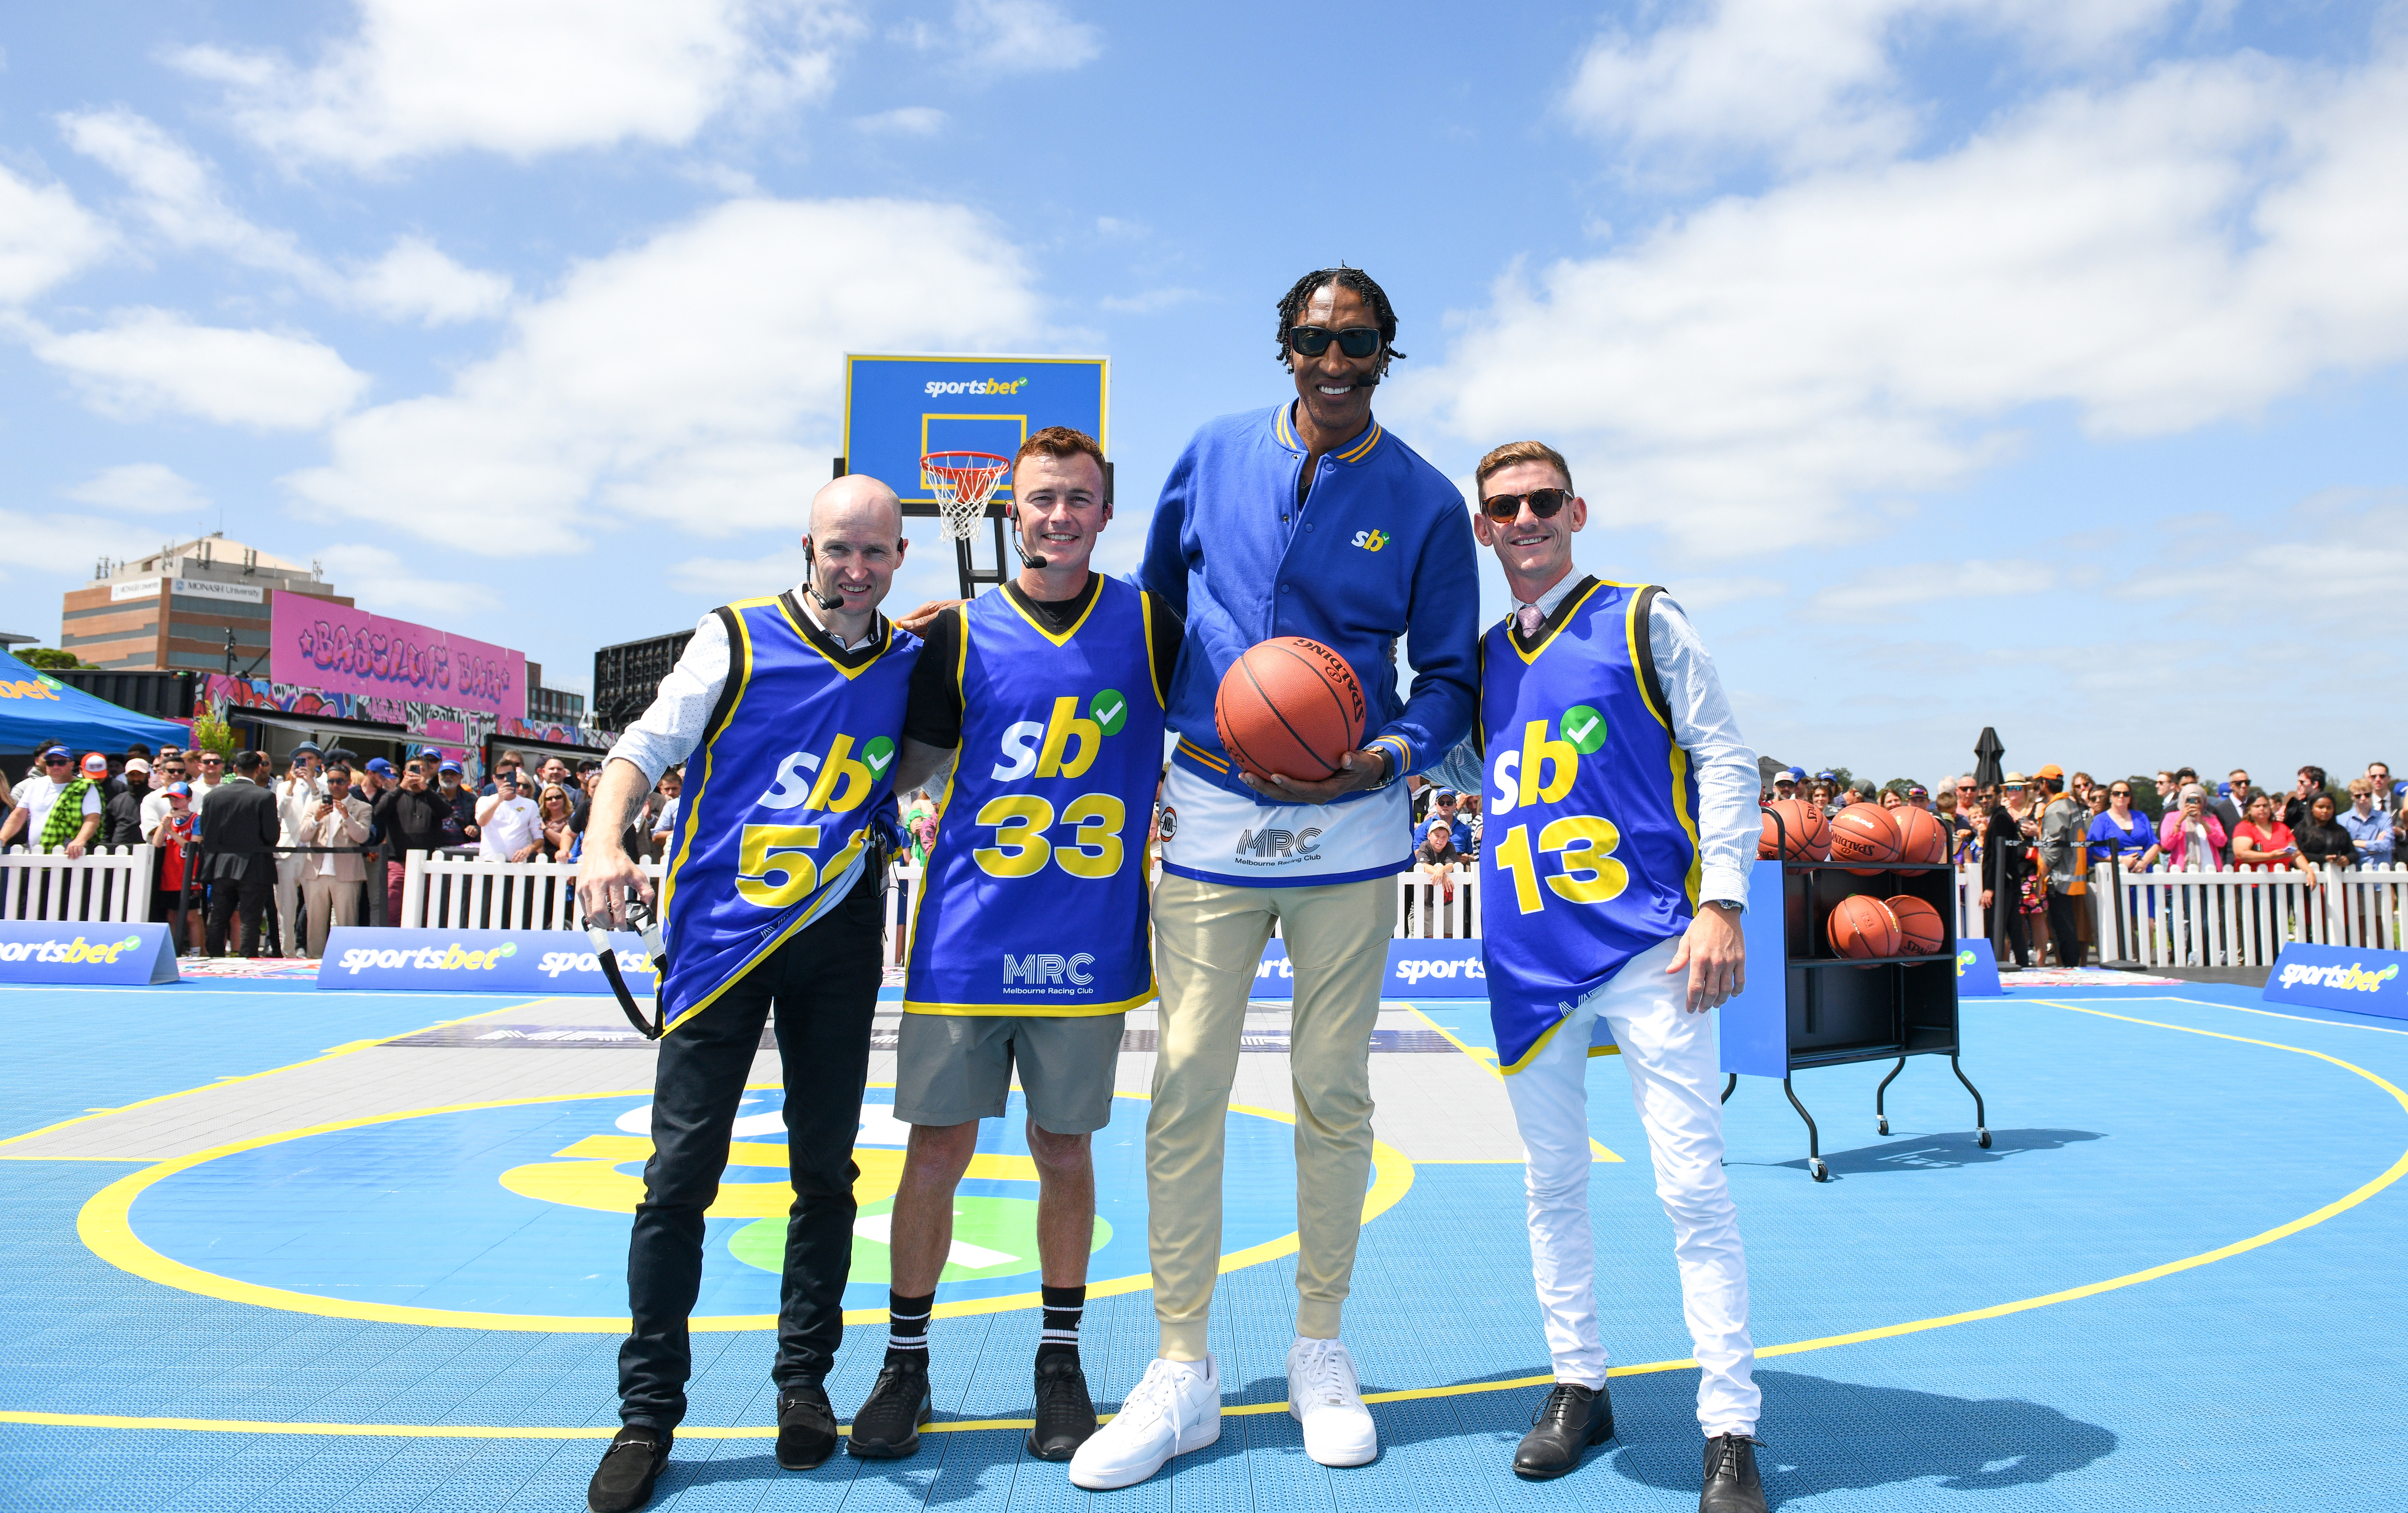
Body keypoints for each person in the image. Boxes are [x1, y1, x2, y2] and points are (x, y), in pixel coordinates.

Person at [1068, 266, 1477, 1492]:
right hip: (1210, 810)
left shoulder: (1426, 500)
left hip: (1350, 821)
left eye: (1356, 340)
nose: (1332, 358)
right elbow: (1148, 618)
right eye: (1312, 337)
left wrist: (1386, 751)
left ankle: (1318, 1344)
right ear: (1283, 346)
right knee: (1186, 1082)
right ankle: (1180, 1363)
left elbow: (1449, 676)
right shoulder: (1205, 453)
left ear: (1388, 352)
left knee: (1330, 1090)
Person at [1420, 437, 1766, 1507]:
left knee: (1691, 1185)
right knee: (1551, 1183)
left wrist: (1724, 899)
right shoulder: (1482, 657)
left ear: (1576, 509)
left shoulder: (1642, 614)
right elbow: (1465, 763)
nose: (1523, 519)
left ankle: (1731, 1421)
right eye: (1503, 507)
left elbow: (1723, 753)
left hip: (1649, 939)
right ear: (1483, 528)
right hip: (1526, 954)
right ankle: (1579, 1380)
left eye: (1541, 500)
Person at [572, 474, 922, 1513]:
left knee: (825, 1171)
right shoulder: (732, 637)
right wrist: (601, 839)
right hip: (720, 940)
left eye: (874, 553)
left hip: (835, 938)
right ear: (804, 548)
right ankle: (647, 1412)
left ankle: (802, 1386)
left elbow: (916, 758)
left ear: (901, 557)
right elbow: (642, 747)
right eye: (836, 551)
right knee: (678, 1175)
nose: (854, 569)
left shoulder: (909, 658)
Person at [867, 427, 1178, 1466]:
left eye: (1077, 498)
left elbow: (1237, 723)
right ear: (1012, 512)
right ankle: (904, 1362)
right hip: (965, 937)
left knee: (1064, 1151)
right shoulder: (957, 636)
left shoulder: (1151, 625)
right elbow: (899, 769)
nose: (1058, 514)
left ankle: (1059, 1356)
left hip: (1085, 944)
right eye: (1041, 498)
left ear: (1103, 510)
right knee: (936, 1151)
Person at [200, 751, 279, 957]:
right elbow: (271, 836)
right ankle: (247, 958)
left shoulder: (213, 796)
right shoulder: (265, 796)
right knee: (250, 918)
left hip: (220, 864)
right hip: (254, 864)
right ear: (258, 770)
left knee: (218, 915)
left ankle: (214, 957)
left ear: (235, 769)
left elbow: (207, 834)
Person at [298, 764, 374, 958]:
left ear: (349, 783)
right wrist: (316, 819)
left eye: (340, 781)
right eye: (331, 781)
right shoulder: (316, 806)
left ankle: (346, 959)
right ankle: (314, 961)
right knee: (315, 923)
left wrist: (347, 817)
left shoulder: (362, 807)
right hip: (317, 872)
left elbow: (362, 836)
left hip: (347, 874)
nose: (335, 786)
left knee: (347, 922)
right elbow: (304, 836)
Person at [376, 760, 451, 923]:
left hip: (428, 863)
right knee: (392, 908)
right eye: (413, 770)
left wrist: (427, 790)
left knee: (426, 909)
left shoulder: (434, 797)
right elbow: (380, 812)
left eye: (422, 770)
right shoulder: (395, 796)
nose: (418, 773)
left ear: (428, 774)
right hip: (398, 862)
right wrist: (402, 787)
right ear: (404, 773)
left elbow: (446, 812)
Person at [1978, 774, 2035, 969]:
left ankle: (1993, 967)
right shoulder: (2000, 817)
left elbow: (1997, 858)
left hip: (2003, 884)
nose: (1984, 801)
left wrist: (1990, 888)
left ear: (1998, 796)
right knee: (2014, 927)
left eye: (1988, 796)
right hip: (2008, 882)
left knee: (1996, 927)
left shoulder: (2001, 819)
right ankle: (2024, 966)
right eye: (1982, 798)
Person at [2035, 769, 2090, 966]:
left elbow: (2052, 849)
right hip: (2072, 875)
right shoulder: (2070, 804)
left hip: (2060, 879)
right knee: (2068, 927)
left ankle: (2069, 967)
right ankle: (2070, 965)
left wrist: (2041, 877)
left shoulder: (2056, 809)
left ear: (2045, 784)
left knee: (2063, 928)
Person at [275, 750, 324, 956]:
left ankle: (314, 952)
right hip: (287, 850)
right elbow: (278, 814)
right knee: (286, 907)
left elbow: (324, 809)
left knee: (315, 906)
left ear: (318, 762)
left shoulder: (323, 786)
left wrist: (313, 785)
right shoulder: (283, 786)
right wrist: (292, 787)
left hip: (314, 852)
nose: (305, 763)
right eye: (301, 760)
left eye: (310, 759)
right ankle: (288, 953)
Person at [150, 783, 201, 950]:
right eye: (172, 799)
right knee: (172, 917)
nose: (175, 803)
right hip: (170, 876)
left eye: (179, 799)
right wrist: (163, 825)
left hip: (189, 876)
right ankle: (173, 953)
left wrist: (172, 832)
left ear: (189, 799)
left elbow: (191, 847)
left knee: (191, 917)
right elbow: (157, 844)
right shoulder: (169, 821)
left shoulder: (196, 820)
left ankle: (196, 953)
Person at [2087, 781, 2161, 869]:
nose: (2122, 796)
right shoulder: (2101, 820)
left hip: (2143, 869)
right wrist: (2120, 859)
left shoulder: (2141, 817)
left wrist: (2144, 862)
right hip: (2115, 869)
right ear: (2110, 797)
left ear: (2130, 798)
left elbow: (2154, 844)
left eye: (2126, 794)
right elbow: (2094, 850)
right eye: (2117, 794)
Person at [475, 768, 543, 863]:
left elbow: (539, 839)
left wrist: (527, 850)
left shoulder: (531, 805)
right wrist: (500, 800)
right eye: (518, 784)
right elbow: (482, 822)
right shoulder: (485, 801)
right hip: (489, 863)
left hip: (517, 864)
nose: (520, 788)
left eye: (525, 786)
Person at [1411, 816, 1461, 936]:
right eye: (1437, 836)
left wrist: (1442, 871)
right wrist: (1441, 874)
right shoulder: (1425, 846)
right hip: (1427, 898)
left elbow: (1451, 865)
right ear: (1429, 836)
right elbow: (1423, 865)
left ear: (1449, 839)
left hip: (1447, 898)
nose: (1440, 840)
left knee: (1449, 932)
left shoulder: (1450, 847)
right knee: (1429, 933)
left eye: (1444, 837)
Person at [2162, 784, 2228, 872]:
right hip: (2182, 871)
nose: (2193, 804)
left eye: (2198, 801)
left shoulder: (2211, 818)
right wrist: (2180, 820)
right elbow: (2167, 845)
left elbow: (2222, 842)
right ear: (2183, 801)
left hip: (2209, 869)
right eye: (2189, 801)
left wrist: (2202, 821)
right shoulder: (2172, 817)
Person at [2341, 777, 2394, 868]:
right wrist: (2375, 846)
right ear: (2352, 797)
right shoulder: (2342, 820)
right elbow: (2344, 848)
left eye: (2367, 795)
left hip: (2381, 873)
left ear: (2372, 794)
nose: (2363, 798)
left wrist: (2356, 843)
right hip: (2354, 874)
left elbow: (2387, 845)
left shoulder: (2385, 818)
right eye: (2358, 796)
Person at [2297, 792, 2356, 870]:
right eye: (2321, 807)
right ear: (2312, 809)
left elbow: (2354, 854)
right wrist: (2324, 858)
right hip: (2308, 874)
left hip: (2336, 874)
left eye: (2329, 808)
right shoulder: (2302, 829)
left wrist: (2347, 859)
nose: (2325, 811)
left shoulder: (2340, 831)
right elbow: (2297, 855)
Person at [103, 758, 152, 848]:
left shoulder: (157, 798)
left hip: (148, 850)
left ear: (148, 775)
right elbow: (107, 832)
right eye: (132, 775)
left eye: (140, 774)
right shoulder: (117, 801)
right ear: (126, 776)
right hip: (119, 852)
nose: (136, 778)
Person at [538, 782, 580, 863]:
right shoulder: (543, 820)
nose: (554, 801)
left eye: (558, 797)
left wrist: (545, 829)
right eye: (549, 799)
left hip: (568, 863)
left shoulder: (573, 818)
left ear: (564, 799)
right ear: (544, 802)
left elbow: (564, 842)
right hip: (546, 864)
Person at [2283, 765, 2330, 833]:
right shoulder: (2296, 805)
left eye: (2302, 782)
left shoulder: (2327, 804)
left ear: (2315, 784)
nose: (2298, 785)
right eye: (2298, 782)